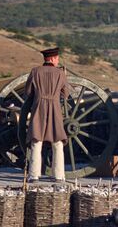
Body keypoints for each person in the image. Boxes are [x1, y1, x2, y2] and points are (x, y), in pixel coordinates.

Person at [25, 47, 69, 183]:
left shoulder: (35, 71)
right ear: (52, 59)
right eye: (57, 58)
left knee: (36, 141)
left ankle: (34, 175)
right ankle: (59, 175)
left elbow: (28, 92)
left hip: (38, 107)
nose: (58, 61)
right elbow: (66, 93)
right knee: (57, 142)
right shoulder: (60, 73)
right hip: (55, 108)